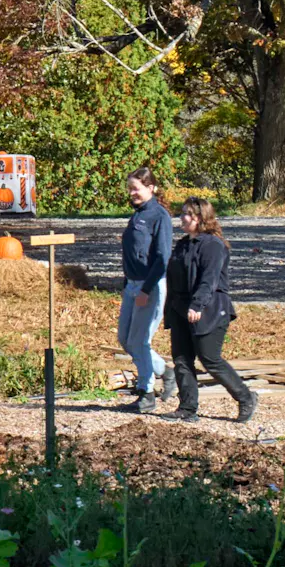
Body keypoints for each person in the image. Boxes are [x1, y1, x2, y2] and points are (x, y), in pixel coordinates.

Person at [165, 200, 255, 422]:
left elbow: (210, 279)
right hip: (180, 309)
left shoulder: (214, 245)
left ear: (200, 217)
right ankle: (187, 408)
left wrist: (197, 304)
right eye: (182, 214)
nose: (182, 218)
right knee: (182, 358)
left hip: (211, 309)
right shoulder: (183, 244)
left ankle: (246, 398)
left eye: (187, 214)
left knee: (210, 358)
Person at [119, 170, 178, 411]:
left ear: (151, 187)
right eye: (130, 189)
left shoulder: (159, 216)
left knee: (140, 340)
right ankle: (165, 371)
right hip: (131, 285)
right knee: (125, 339)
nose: (132, 193)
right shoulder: (138, 214)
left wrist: (146, 289)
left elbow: (163, 257)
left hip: (149, 286)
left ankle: (147, 393)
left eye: (136, 188)